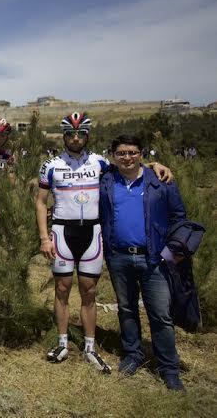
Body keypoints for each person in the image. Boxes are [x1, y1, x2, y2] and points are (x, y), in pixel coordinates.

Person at [36, 113, 172, 373]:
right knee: (62, 289)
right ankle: (62, 342)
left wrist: (154, 164)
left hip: (92, 232)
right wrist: (44, 238)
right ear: (64, 136)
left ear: (87, 135)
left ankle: (90, 347)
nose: (76, 138)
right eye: (71, 134)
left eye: (81, 134)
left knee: (89, 291)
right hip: (62, 232)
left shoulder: (99, 162)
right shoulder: (50, 165)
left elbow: (128, 165)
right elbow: (41, 202)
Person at [100, 135, 186, 391]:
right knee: (126, 309)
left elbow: (179, 216)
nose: (127, 157)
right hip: (118, 256)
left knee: (160, 315)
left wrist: (172, 251)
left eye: (132, 152)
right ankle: (133, 354)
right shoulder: (106, 180)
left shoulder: (160, 181)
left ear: (141, 154)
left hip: (153, 257)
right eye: (121, 153)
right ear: (113, 156)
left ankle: (169, 368)